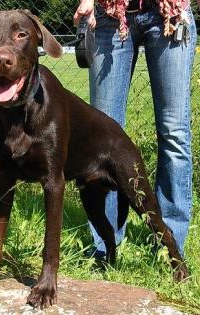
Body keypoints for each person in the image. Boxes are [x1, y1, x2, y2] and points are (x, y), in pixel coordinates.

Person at [74, 0, 197, 259]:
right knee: (101, 139)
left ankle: (170, 247)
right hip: (109, 14)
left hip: (169, 12)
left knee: (174, 133)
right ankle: (104, 246)